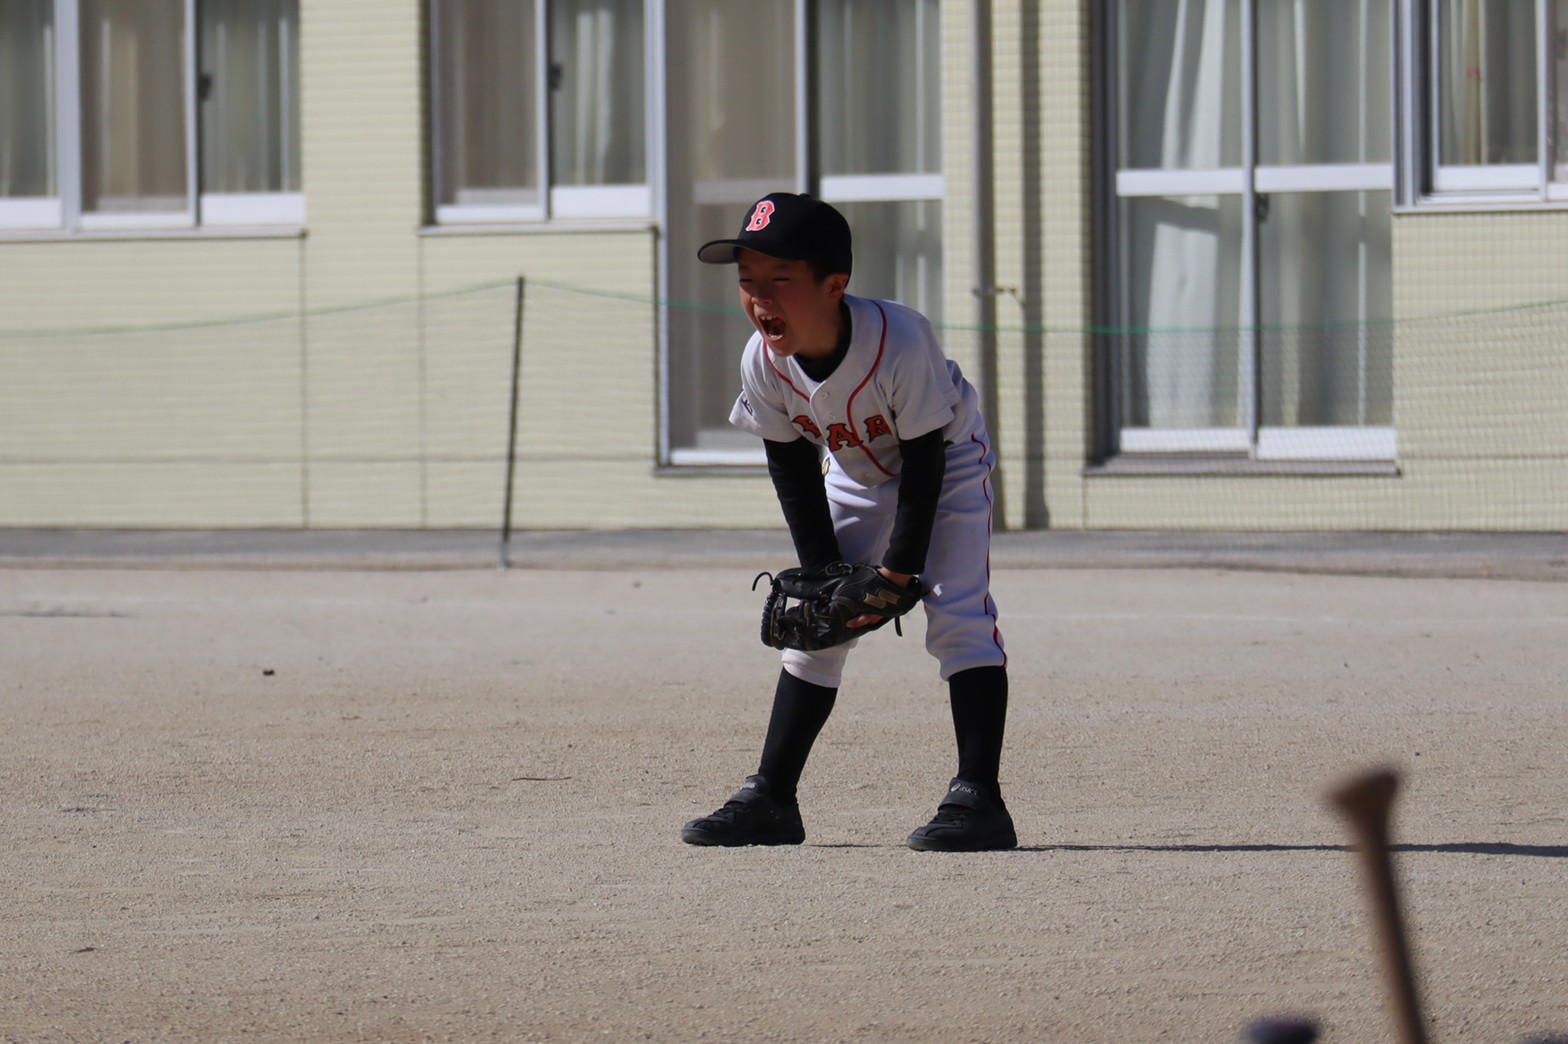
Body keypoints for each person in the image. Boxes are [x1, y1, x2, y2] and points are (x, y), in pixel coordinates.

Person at [680, 192, 1014, 852]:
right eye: (748, 280)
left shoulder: (900, 339)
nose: (759, 297)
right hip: (856, 473)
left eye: (781, 279)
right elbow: (793, 470)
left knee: (957, 614)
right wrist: (822, 570)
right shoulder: (763, 360)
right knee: (815, 624)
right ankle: (773, 797)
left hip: (945, 468)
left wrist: (897, 571)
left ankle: (979, 797)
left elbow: (922, 462)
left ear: (835, 285)